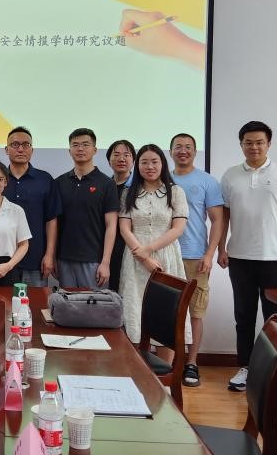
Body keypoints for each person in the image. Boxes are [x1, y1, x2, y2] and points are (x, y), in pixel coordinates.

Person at [218, 121, 277, 392]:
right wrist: (222, 248)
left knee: (275, 318)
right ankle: (245, 367)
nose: (254, 147)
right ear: (241, 145)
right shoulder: (231, 175)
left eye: (259, 142)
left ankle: (275, 373)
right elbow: (224, 215)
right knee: (243, 316)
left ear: (268, 144)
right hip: (240, 257)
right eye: (248, 142)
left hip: (275, 259)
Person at [119, 144, 189, 350]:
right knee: (135, 307)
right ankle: (139, 366)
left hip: (166, 256)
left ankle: (166, 369)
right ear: (137, 166)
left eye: (154, 162)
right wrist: (143, 256)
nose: (149, 166)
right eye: (144, 162)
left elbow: (178, 228)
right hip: (134, 258)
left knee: (166, 311)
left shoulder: (175, 192)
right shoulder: (129, 193)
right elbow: (124, 228)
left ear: (163, 164)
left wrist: (148, 250)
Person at [169, 133, 224, 387]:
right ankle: (171, 362)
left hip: (195, 256)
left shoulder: (207, 181)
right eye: (178, 147)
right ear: (170, 151)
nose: (183, 151)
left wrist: (210, 253)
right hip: (166, 255)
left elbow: (217, 220)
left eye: (188, 147)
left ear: (195, 151)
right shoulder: (162, 178)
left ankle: (191, 363)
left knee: (196, 312)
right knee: (167, 311)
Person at [54, 128, 119, 289]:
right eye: (75, 145)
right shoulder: (59, 182)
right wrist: (53, 256)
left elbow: (111, 225)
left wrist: (105, 262)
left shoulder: (107, 184)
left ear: (95, 150)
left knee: (94, 305)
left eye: (85, 144)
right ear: (69, 151)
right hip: (64, 259)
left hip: (94, 261)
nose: (80, 149)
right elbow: (54, 224)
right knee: (67, 303)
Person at [3, 126, 61, 288]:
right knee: (3, 302)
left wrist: (49, 255)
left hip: (36, 260)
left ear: (32, 150)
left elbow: (51, 220)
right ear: (6, 149)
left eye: (26, 145)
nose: (20, 149)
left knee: (35, 303)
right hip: (2, 260)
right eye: (15, 145)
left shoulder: (45, 179)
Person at [105, 139, 136, 292]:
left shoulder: (140, 187)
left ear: (133, 160)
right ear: (109, 160)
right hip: (107, 249)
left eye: (126, 155)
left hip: (131, 250)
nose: (121, 159)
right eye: (116, 155)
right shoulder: (104, 185)